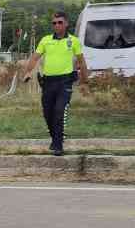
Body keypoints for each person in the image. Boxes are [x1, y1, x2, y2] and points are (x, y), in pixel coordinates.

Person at [16, 11, 90, 155]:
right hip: (48, 83)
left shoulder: (73, 41)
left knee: (59, 111)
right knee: (47, 113)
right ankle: (55, 139)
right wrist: (28, 72)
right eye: (54, 23)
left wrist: (84, 81)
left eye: (60, 22)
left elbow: (81, 61)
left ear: (66, 23)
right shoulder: (45, 40)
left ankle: (58, 145)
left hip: (65, 82)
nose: (57, 25)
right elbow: (34, 58)